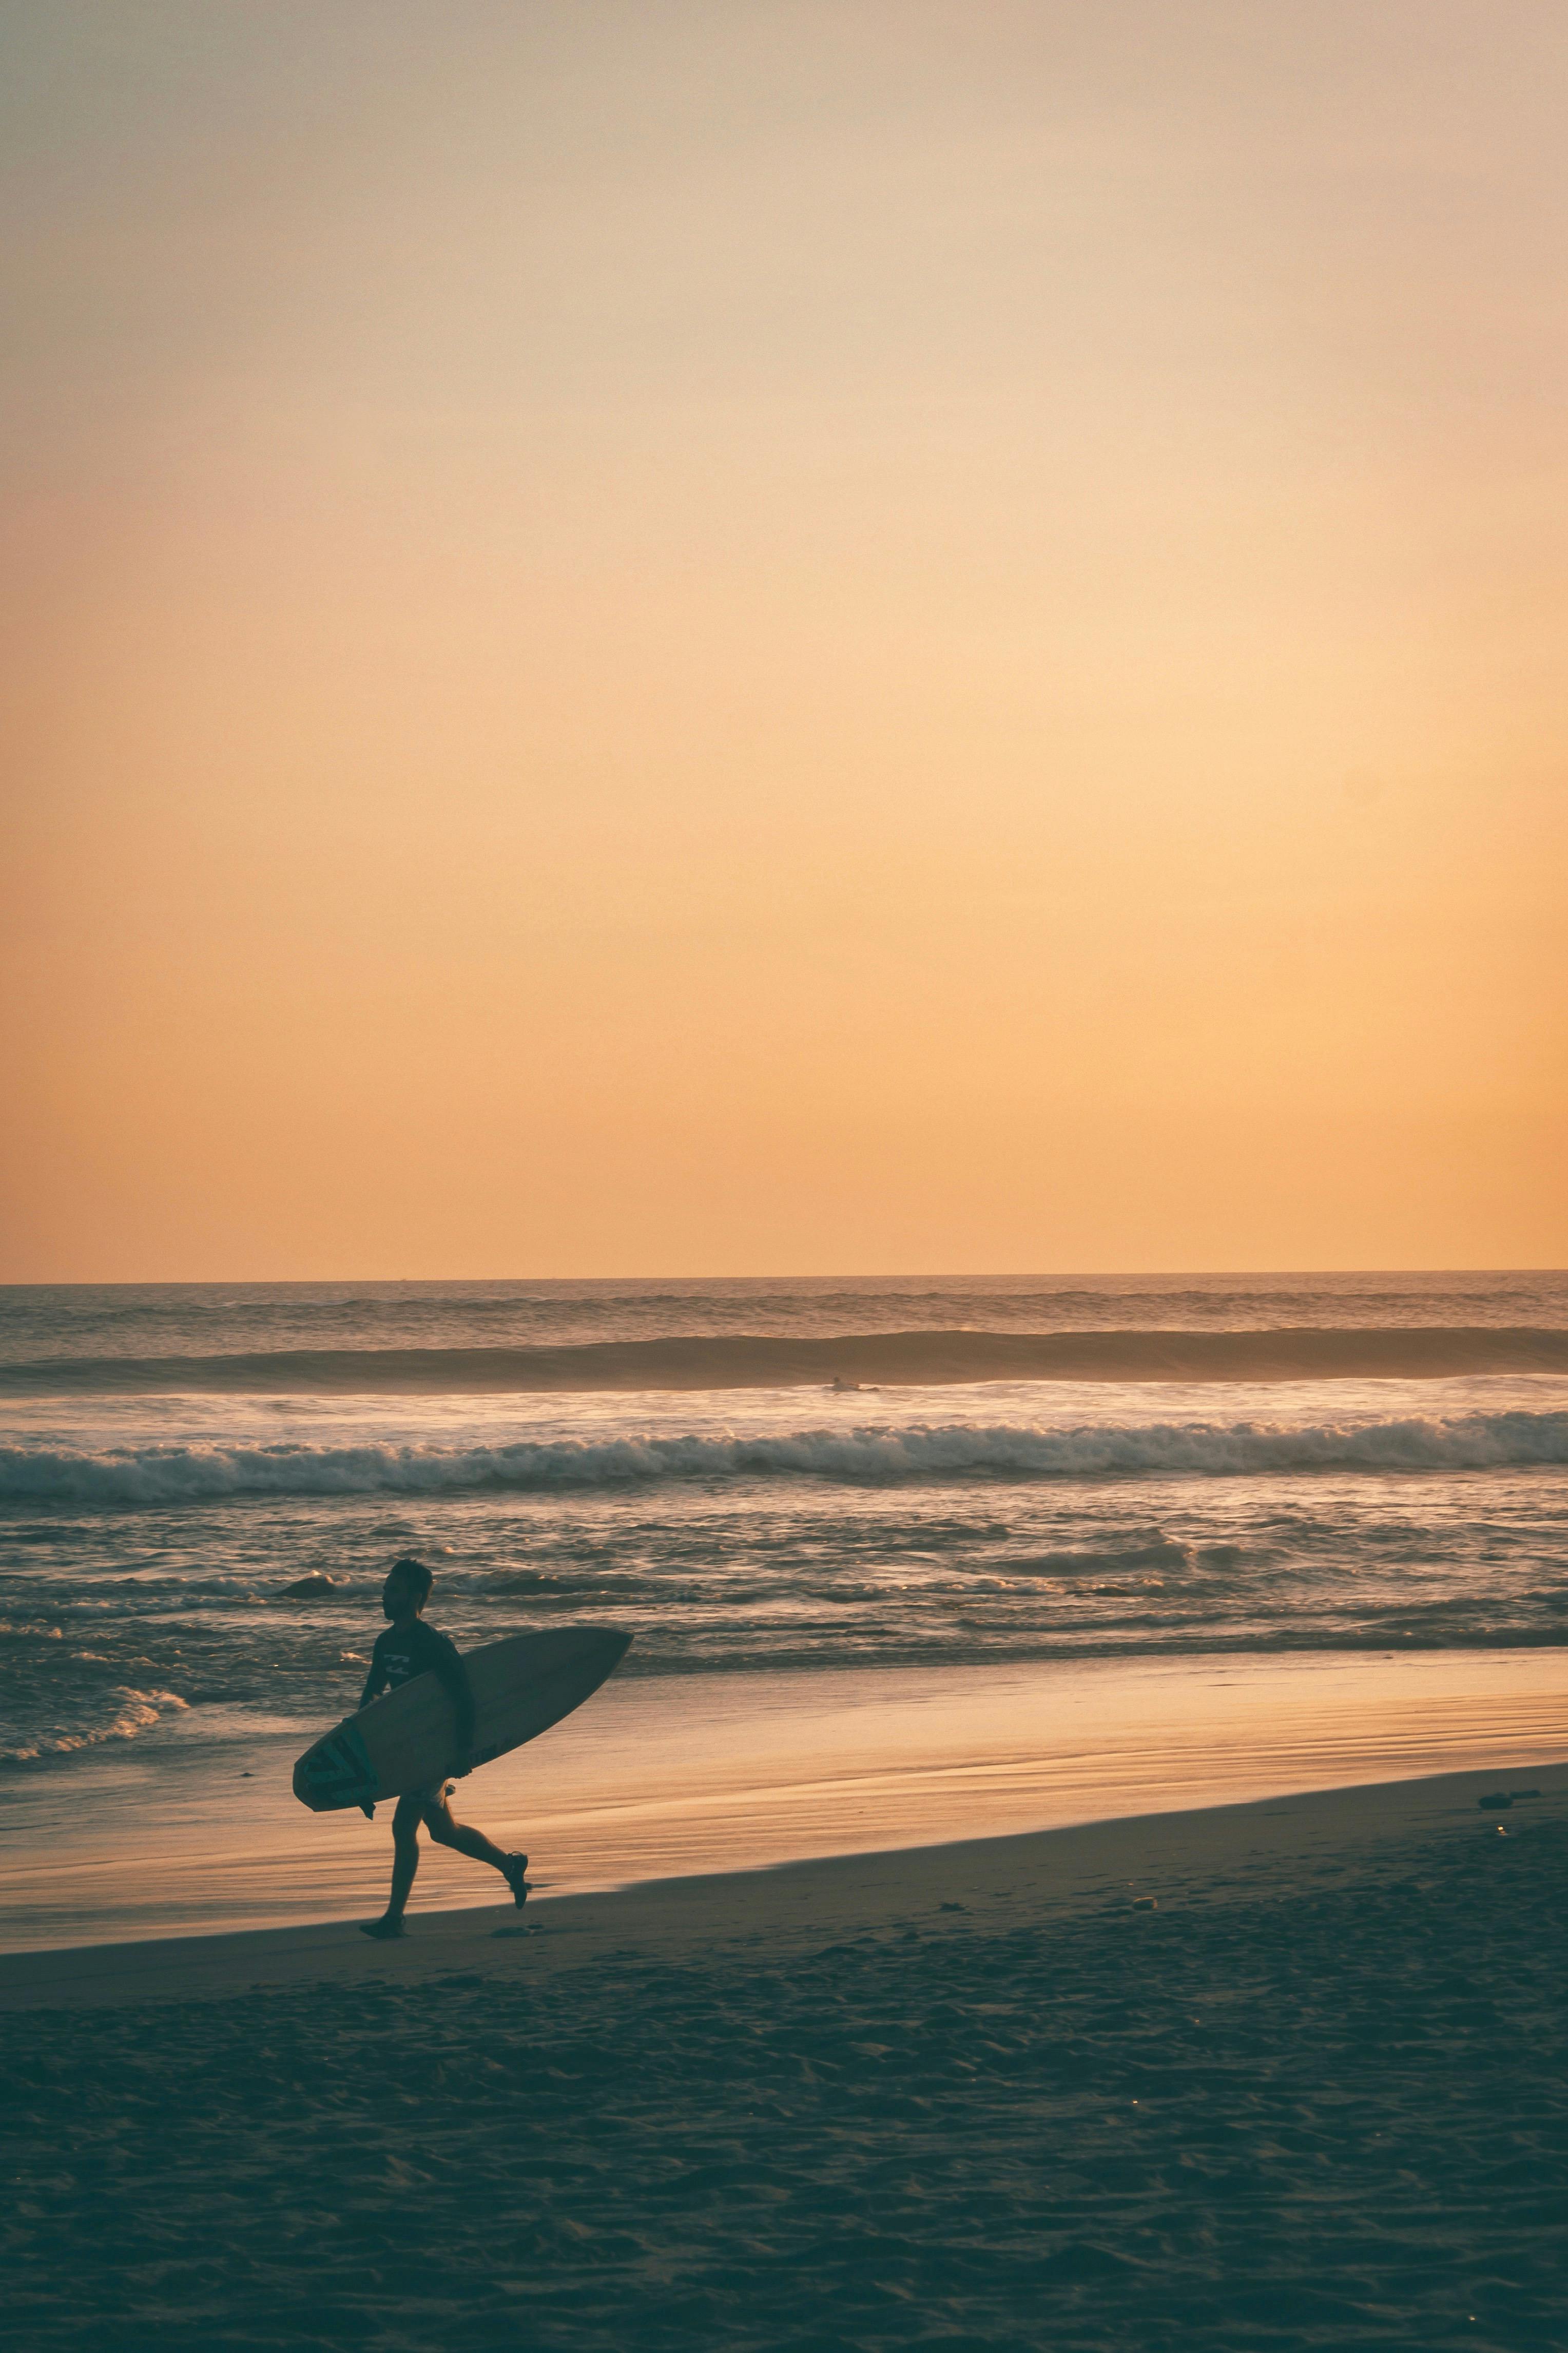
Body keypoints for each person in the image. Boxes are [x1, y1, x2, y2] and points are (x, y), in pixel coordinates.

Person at [357, 1555, 530, 1940]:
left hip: (436, 1751)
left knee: (404, 1827)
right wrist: (361, 1759)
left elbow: (464, 1699)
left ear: (414, 1597)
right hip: (410, 1749)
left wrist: (461, 1752)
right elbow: (371, 1699)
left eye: (392, 1590)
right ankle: (510, 1866)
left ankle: (394, 1918)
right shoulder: (385, 1643)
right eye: (385, 1589)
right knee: (444, 1830)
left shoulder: (432, 1643)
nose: (384, 1596)